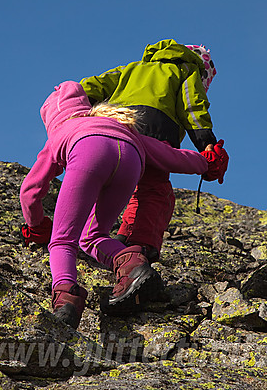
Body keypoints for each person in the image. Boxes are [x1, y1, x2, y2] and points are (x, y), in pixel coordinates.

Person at [19, 81, 216, 328]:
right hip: (130, 160)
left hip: (88, 152)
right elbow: (169, 155)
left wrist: (36, 225)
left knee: (62, 239)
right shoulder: (118, 123)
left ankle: (66, 297)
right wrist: (206, 163)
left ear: (52, 118)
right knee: (92, 236)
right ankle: (131, 263)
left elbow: (30, 190)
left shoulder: (62, 131)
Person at [78, 39, 229, 291]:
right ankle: (141, 245)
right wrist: (207, 144)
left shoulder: (131, 69)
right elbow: (192, 106)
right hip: (157, 128)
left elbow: (91, 85)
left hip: (115, 126)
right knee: (153, 188)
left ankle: (113, 238)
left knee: (114, 183)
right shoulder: (185, 70)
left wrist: (79, 111)